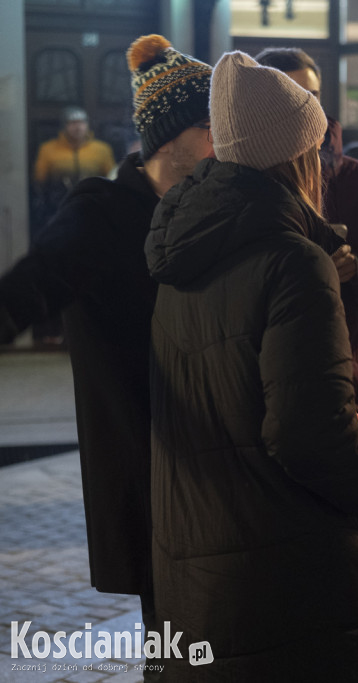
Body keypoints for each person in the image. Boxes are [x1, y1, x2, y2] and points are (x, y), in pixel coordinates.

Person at [144, 51, 358, 681]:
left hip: (197, 563)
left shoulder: (184, 248)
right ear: (299, 155)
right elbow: (307, 432)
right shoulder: (294, 260)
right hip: (280, 576)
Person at [0, 34, 213, 679]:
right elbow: (30, 286)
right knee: (172, 644)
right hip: (148, 457)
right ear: (180, 131)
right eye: (215, 126)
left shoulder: (212, 207)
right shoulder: (100, 213)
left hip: (218, 458)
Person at [254, 47, 358, 421]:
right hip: (264, 375)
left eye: (311, 97)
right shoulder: (245, 179)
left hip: (347, 369)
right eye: (290, 95)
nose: (305, 107)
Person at [29, 106, 118, 345]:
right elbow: (39, 186)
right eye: (72, 122)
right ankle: (53, 331)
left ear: (87, 125)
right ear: (65, 126)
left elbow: (111, 182)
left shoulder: (101, 150)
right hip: (60, 219)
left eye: (81, 122)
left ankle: (95, 328)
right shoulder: (49, 151)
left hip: (93, 221)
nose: (77, 127)